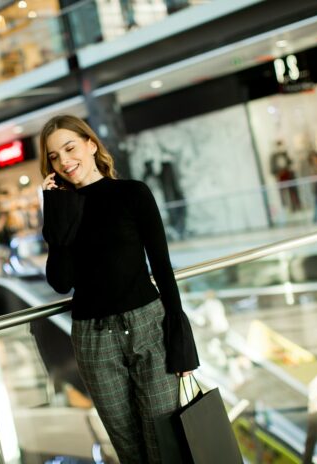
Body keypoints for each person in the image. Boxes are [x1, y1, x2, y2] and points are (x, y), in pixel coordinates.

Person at [39, 115, 199, 463]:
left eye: (70, 148)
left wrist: (180, 339)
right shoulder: (64, 209)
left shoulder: (132, 193)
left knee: (163, 440)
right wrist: (55, 213)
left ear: (91, 144)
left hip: (148, 328)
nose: (64, 161)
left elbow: (161, 265)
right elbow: (60, 281)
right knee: (129, 448)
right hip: (94, 340)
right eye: (54, 156)